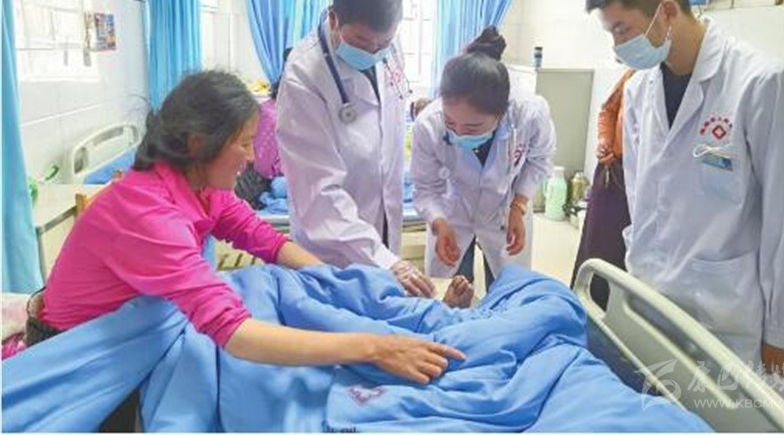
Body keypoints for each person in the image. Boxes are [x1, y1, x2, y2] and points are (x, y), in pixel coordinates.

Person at [33, 71, 466, 430]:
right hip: (90, 357)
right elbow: (236, 335)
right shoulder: (147, 214)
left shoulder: (199, 185)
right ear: (199, 144)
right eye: (243, 143)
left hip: (160, 322)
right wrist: (374, 348)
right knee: (279, 385)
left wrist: (342, 290)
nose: (252, 157)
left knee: (302, 305)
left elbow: (267, 240)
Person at [585, 0, 784, 403]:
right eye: (610, 33)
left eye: (622, 29)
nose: (617, 47)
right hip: (652, 301)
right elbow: (641, 195)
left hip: (729, 317)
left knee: (732, 421)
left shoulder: (763, 83)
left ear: (666, 12)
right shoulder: (639, 90)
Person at [277, 0, 436, 298]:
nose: (373, 51)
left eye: (384, 42)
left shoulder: (388, 47)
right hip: (331, 245)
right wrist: (384, 260)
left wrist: (386, 257)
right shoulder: (303, 76)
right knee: (338, 319)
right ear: (334, 17)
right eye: (362, 40)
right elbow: (318, 194)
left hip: (385, 221)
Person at [411, 27, 556, 290]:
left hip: (505, 213)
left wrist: (519, 205)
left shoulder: (529, 114)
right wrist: (438, 222)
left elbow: (540, 160)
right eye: (450, 122)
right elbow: (425, 188)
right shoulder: (428, 124)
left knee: (508, 291)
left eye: (472, 128)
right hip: (452, 212)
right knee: (448, 292)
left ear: (501, 114)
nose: (458, 132)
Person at [570, 68, 635, 308]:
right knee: (599, 248)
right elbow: (608, 110)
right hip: (614, 174)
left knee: (630, 261)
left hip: (649, 183)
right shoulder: (634, 74)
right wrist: (605, 140)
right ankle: (589, 305)